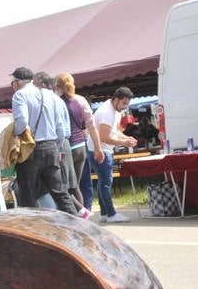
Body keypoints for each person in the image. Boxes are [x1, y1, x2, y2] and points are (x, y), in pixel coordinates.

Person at [8, 67, 72, 213]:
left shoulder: (20, 95)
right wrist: (58, 147)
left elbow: (22, 121)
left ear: (17, 82)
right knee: (60, 192)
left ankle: (32, 231)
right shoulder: (49, 95)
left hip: (31, 149)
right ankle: (78, 226)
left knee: (28, 193)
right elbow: (60, 128)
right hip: (52, 147)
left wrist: (15, 135)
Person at [86, 87, 138, 224]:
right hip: (100, 150)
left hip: (100, 149)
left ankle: (104, 213)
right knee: (106, 182)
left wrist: (127, 138)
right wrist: (124, 142)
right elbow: (104, 137)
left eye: (127, 103)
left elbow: (114, 131)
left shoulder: (115, 109)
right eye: (124, 103)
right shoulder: (107, 112)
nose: (125, 106)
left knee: (104, 181)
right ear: (116, 99)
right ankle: (111, 214)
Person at [55, 73, 102, 219]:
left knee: (66, 187)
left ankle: (81, 213)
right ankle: (80, 214)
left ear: (57, 86)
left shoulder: (57, 102)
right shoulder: (81, 100)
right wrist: (98, 147)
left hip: (67, 147)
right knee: (75, 185)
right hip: (82, 147)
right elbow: (91, 126)